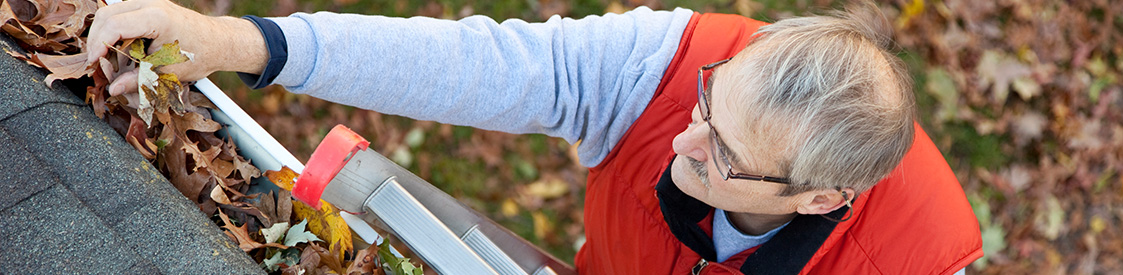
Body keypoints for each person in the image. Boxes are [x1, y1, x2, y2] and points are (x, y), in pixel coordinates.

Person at [86, 0, 983, 274]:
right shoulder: (673, 62)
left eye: (721, 157)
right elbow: (476, 65)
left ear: (820, 198)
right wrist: (248, 44)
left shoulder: (911, 260)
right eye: (705, 107)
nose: (681, 143)